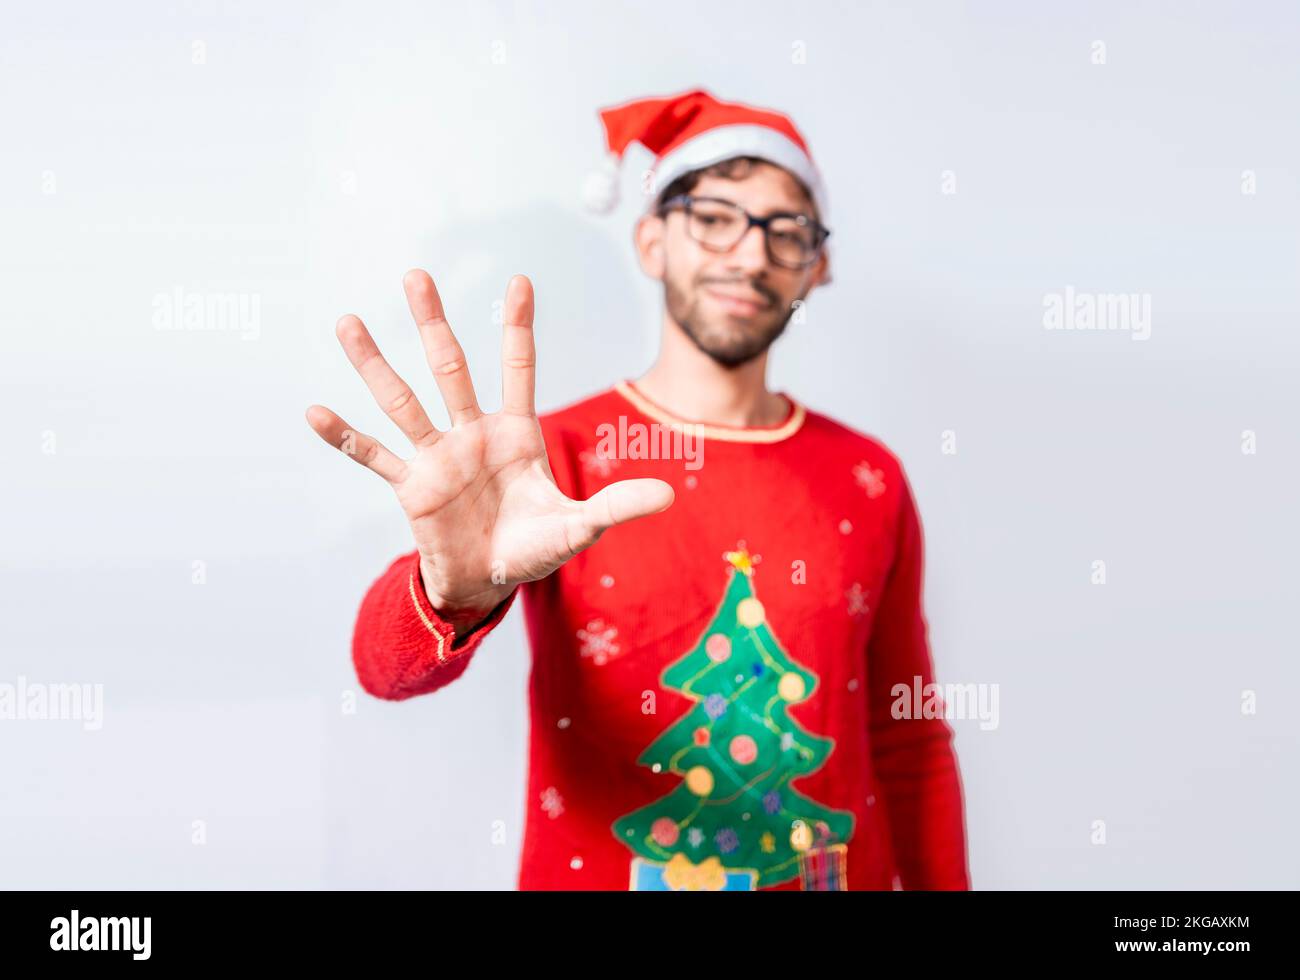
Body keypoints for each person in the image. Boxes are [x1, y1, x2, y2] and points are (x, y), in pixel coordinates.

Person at [306, 89, 971, 891]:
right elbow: (381, 670)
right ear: (653, 240)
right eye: (715, 217)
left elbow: (909, 740)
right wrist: (448, 591)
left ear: (818, 266)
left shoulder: (871, 478)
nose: (750, 256)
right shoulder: (547, 461)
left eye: (785, 231)